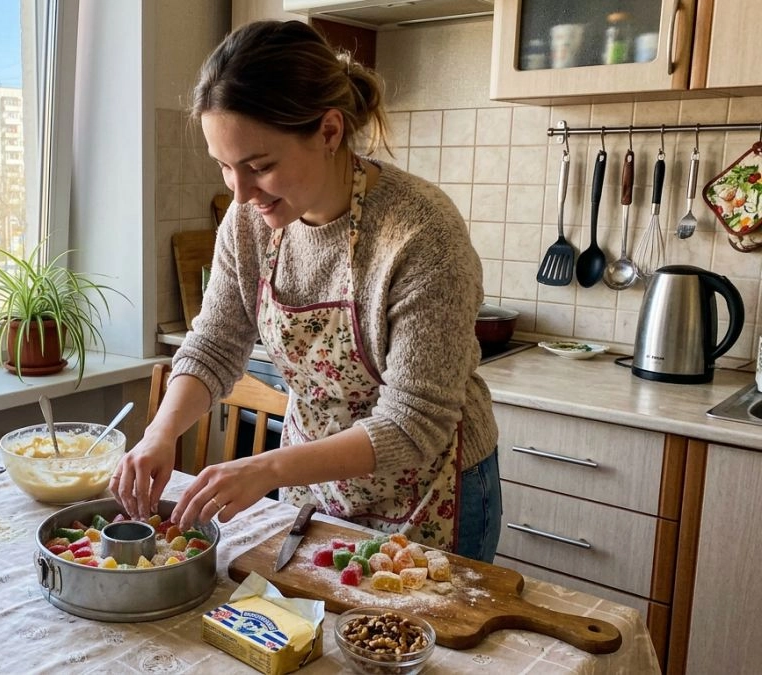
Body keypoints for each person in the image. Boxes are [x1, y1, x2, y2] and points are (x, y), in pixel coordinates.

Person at [110, 20, 502, 562]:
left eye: (260, 166)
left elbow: (414, 425)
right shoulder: (249, 224)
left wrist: (267, 467)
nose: (241, 193)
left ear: (330, 132)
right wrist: (160, 433)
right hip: (312, 484)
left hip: (429, 491)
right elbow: (217, 343)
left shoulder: (421, 232)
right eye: (225, 167)